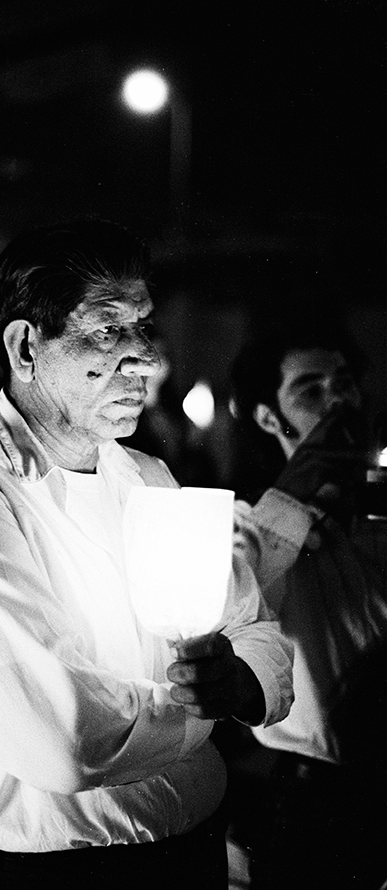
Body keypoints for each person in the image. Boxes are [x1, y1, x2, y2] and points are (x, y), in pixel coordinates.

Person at [0, 217, 293, 890]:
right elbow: (66, 741)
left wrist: (243, 681)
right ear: (25, 348)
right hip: (43, 878)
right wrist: (213, 705)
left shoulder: (148, 479)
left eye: (143, 327)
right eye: (107, 329)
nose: (143, 358)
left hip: (188, 859)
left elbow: (254, 626)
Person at [229, 324, 387, 889]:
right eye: (311, 390)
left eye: (344, 382)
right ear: (271, 418)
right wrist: (295, 494)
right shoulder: (248, 525)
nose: (339, 400)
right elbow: (238, 603)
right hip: (317, 800)